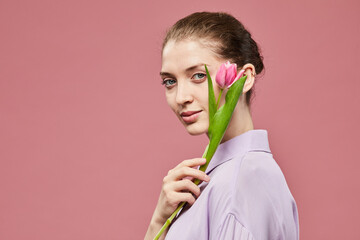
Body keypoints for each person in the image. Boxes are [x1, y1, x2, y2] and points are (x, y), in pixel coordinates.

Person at [145, 12, 299, 240]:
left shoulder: (242, 180)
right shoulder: (219, 176)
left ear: (245, 78)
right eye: (170, 81)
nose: (180, 97)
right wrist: (159, 219)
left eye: (198, 75)